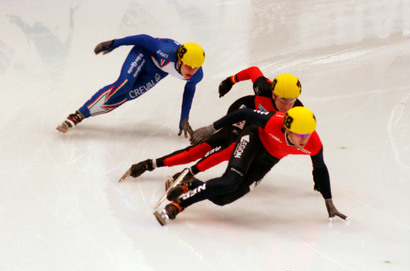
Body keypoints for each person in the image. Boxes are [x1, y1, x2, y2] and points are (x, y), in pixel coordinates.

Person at [154, 106, 348, 226]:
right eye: (300, 135)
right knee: (230, 181)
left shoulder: (314, 143)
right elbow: (244, 113)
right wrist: (211, 128)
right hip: (253, 139)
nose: (305, 140)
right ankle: (177, 206)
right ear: (287, 129)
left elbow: (320, 169)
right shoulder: (273, 121)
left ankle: (192, 185)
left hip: (268, 159)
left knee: (224, 199)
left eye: (308, 134)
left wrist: (329, 202)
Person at [119, 67, 304, 183]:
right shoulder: (263, 87)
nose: (288, 105)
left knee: (231, 150)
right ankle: (153, 164)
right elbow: (253, 71)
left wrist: (317, 171)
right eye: (283, 100)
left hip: (256, 126)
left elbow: (306, 141)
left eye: (292, 101)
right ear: (273, 94)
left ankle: (186, 171)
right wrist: (229, 81)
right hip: (242, 111)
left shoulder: (297, 113)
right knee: (219, 147)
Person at [56, 34, 205, 137]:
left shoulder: (197, 75)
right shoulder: (164, 49)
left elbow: (189, 90)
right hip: (143, 54)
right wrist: (114, 43)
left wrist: (184, 118)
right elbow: (142, 39)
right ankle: (78, 115)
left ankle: (84, 115)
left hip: (157, 71)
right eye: (188, 66)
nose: (192, 71)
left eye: (196, 67)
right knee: (124, 84)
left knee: (127, 95)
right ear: (179, 60)